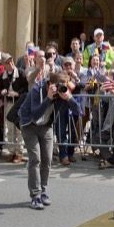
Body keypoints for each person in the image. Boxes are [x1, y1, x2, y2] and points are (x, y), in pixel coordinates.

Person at [17, 71, 80, 210]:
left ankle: (43, 191)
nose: (60, 89)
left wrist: (69, 98)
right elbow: (35, 115)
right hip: (29, 125)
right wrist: (48, 98)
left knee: (47, 159)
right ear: (50, 84)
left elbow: (79, 111)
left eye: (63, 86)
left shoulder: (61, 94)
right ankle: (35, 195)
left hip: (46, 126)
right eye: (58, 86)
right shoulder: (36, 90)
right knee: (35, 159)